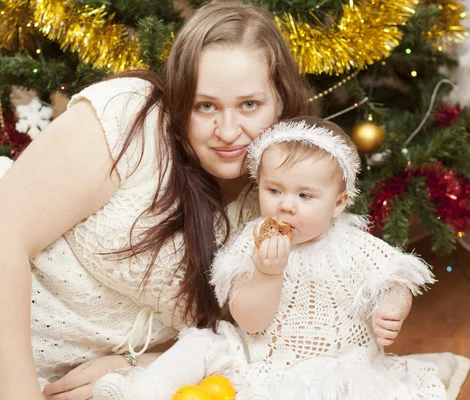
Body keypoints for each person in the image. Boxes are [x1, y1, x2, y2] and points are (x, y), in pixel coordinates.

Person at [0, 1, 310, 399]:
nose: (229, 131)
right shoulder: (133, 117)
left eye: (249, 105)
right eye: (205, 106)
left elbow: (246, 340)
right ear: (180, 101)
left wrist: (135, 363)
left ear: (281, 101)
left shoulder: (284, 200)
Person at [92, 116, 448, 400]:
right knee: (200, 342)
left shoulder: (353, 246)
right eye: (274, 190)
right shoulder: (252, 243)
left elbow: (395, 278)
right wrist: (267, 272)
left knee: (329, 387)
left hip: (334, 363)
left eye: (305, 195)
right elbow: (249, 322)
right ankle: (142, 391)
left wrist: (392, 307)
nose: (286, 204)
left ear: (339, 203)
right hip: (256, 355)